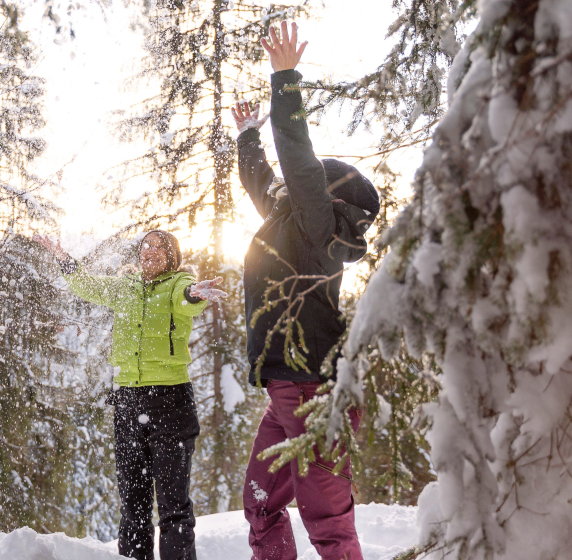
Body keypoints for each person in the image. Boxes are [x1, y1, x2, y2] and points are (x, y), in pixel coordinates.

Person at [232, 22, 380, 560]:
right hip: (285, 391)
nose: (298, 187)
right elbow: (263, 181)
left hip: (313, 390)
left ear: (329, 195)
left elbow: (295, 159)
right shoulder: (292, 218)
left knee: (329, 521)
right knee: (260, 503)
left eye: (313, 182)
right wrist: (248, 134)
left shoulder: (322, 225)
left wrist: (286, 79)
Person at [34, 231, 226, 560]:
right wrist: (63, 258)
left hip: (170, 400)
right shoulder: (126, 286)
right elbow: (88, 285)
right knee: (133, 505)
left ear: (172, 256)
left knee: (173, 506)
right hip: (127, 402)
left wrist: (194, 294)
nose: (150, 251)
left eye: (159, 247)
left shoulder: (177, 284)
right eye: (145, 246)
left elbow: (186, 299)